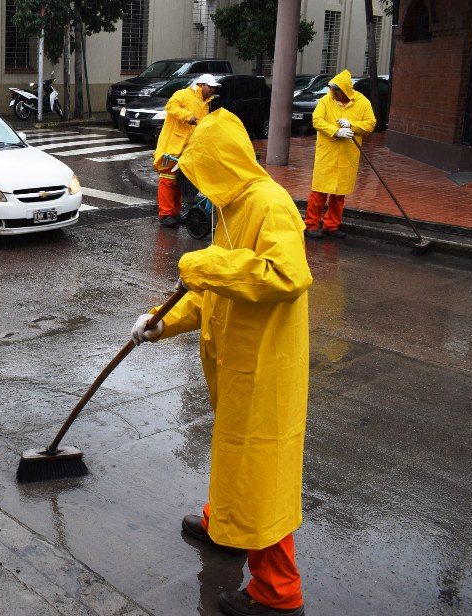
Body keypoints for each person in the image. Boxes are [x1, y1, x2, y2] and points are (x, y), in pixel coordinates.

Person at [131, 109, 313, 616]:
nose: (198, 185)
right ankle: (225, 527)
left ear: (222, 163)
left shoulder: (270, 205)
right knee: (233, 455)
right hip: (234, 366)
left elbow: (286, 274)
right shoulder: (232, 209)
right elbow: (214, 292)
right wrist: (161, 321)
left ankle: (278, 595)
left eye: (202, 170)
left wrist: (202, 263)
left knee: (259, 475)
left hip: (265, 373)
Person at [305, 69, 376, 239]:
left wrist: (351, 125)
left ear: (345, 90)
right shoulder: (326, 101)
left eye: (336, 90)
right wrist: (336, 132)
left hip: (347, 155)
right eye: (332, 89)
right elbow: (317, 120)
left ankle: (331, 225)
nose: (333, 93)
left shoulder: (363, 103)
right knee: (319, 192)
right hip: (327, 154)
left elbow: (370, 124)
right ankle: (311, 225)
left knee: (339, 194)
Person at [152, 73, 219, 228]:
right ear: (202, 85)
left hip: (187, 149)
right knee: (167, 180)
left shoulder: (205, 103)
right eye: (211, 87)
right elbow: (170, 106)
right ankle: (166, 214)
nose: (213, 90)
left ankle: (174, 213)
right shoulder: (183, 94)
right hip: (172, 146)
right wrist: (187, 116)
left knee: (178, 182)